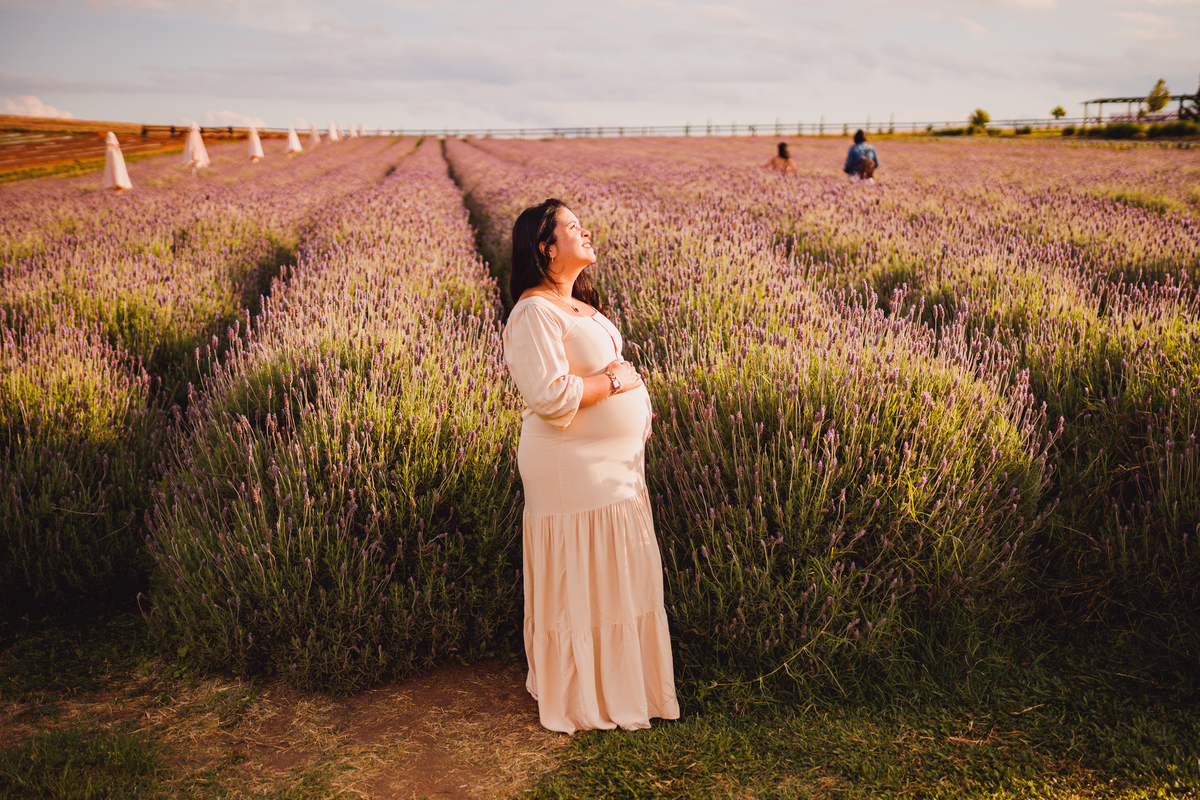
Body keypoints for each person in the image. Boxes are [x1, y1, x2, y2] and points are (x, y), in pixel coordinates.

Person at [502, 198, 680, 734]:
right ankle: (585, 694)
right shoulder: (533, 311)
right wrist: (621, 385)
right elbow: (551, 396)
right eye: (571, 227)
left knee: (619, 575)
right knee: (584, 578)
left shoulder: (579, 303)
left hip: (616, 469)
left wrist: (636, 409)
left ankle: (629, 685)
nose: (585, 232)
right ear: (545, 247)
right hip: (570, 468)